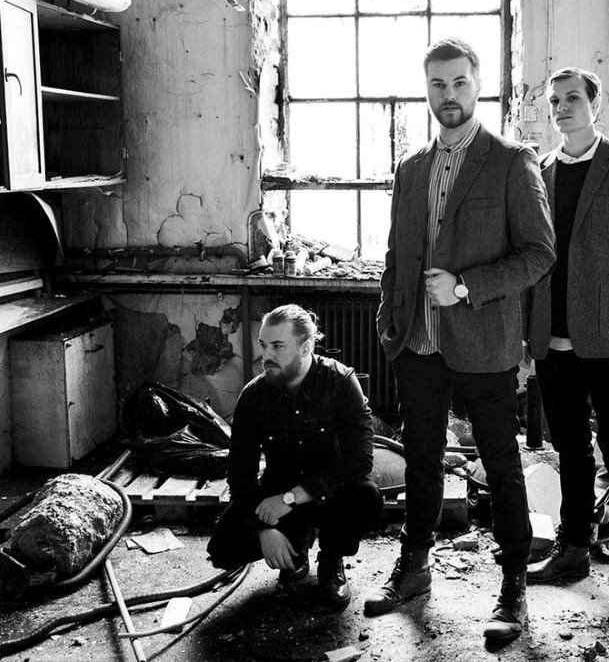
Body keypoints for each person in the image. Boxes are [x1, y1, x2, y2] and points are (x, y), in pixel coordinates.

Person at [365, 37, 556, 643]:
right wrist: (389, 322)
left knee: (501, 463)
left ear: (478, 85)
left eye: (459, 83)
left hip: (484, 343)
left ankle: (513, 586)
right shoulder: (411, 167)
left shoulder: (511, 160)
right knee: (421, 458)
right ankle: (414, 567)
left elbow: (539, 254)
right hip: (417, 344)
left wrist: (467, 287)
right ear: (427, 90)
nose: (448, 95)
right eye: (438, 84)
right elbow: (397, 254)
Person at [524, 67, 609, 621]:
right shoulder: (539, 170)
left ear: (595, 105)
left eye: (572, 98)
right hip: (551, 338)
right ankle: (574, 549)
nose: (562, 108)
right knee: (571, 451)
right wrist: (526, 336)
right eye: (554, 100)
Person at [207, 304, 383, 608]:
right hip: (279, 492)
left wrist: (291, 498)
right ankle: (295, 547)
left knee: (366, 498)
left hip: (330, 494)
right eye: (263, 345)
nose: (266, 356)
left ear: (305, 347)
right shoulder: (253, 396)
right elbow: (240, 474)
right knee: (224, 549)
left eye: (278, 346)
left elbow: (360, 459)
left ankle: (331, 560)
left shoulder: (340, 382)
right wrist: (264, 529)